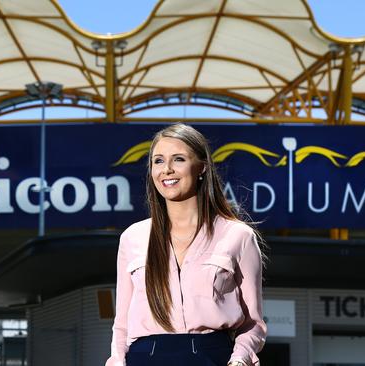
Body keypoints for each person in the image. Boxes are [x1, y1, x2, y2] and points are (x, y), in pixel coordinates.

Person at [105, 123, 267, 366]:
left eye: (178, 159)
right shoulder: (133, 238)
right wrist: (117, 361)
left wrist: (239, 359)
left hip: (212, 356)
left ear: (201, 167)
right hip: (144, 357)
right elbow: (122, 324)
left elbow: (253, 324)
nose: (166, 170)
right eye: (158, 161)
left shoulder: (238, 236)